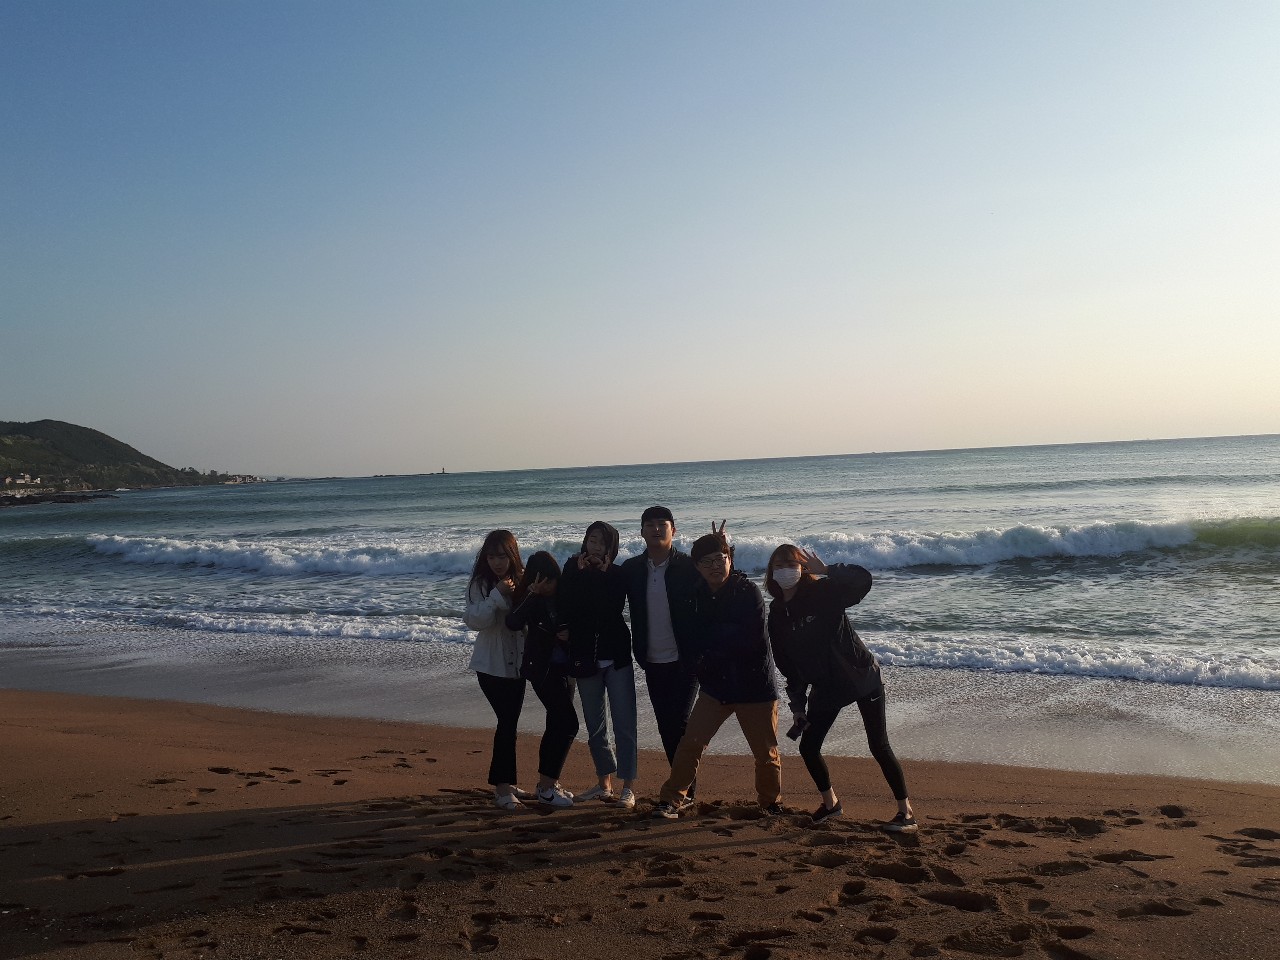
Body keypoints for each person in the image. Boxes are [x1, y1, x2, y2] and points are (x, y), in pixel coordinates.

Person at [765, 544, 917, 832]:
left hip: (861, 677)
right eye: (779, 565)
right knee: (809, 747)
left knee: (879, 745)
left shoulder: (823, 592)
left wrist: (828, 570)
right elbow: (789, 667)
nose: (786, 571)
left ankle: (905, 812)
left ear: (803, 569)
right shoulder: (777, 614)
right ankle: (831, 804)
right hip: (826, 687)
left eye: (792, 564)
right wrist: (797, 706)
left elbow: (863, 581)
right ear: (771, 572)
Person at [653, 528, 782, 819]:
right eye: (707, 561)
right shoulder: (696, 595)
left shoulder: (748, 592)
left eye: (720, 559)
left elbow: (750, 641)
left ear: (730, 560)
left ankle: (770, 804)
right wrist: (706, 654)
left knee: (765, 753)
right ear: (697, 567)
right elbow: (694, 636)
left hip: (755, 686)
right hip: (716, 686)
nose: (715, 566)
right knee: (691, 744)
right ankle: (671, 800)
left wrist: (709, 646)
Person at [620, 506, 701, 805]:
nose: (656, 529)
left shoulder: (689, 566)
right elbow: (604, 593)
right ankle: (683, 787)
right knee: (667, 726)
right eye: (650, 525)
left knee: (679, 723)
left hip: (686, 659)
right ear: (641, 532)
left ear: (673, 530)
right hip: (652, 660)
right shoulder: (631, 569)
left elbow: (720, 584)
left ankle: (684, 790)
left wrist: (723, 549)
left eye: (662, 524)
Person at [559, 521, 638, 811]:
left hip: (616, 656)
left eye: (602, 543)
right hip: (584, 656)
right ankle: (604, 784)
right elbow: (567, 605)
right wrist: (581, 575)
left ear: (611, 548)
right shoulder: (571, 568)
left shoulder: (618, 574)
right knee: (595, 725)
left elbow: (610, 610)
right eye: (592, 540)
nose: (595, 547)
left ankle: (628, 787)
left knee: (624, 723)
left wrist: (602, 576)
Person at [503, 551, 579, 808]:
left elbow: (576, 617)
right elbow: (513, 622)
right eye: (542, 581)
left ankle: (547, 784)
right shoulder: (531, 598)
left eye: (551, 580)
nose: (548, 586)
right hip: (541, 670)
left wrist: (568, 634)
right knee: (568, 723)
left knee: (556, 723)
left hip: (565, 669)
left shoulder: (564, 595)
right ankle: (546, 788)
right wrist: (532, 593)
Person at [463, 529, 531, 810]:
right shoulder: (481, 584)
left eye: (502, 556)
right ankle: (502, 789)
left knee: (510, 724)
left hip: (517, 666)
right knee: (506, 723)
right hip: (490, 665)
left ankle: (508, 784)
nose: (497, 562)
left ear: (513, 555)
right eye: (491, 557)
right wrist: (497, 595)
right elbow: (474, 621)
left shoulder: (524, 580)